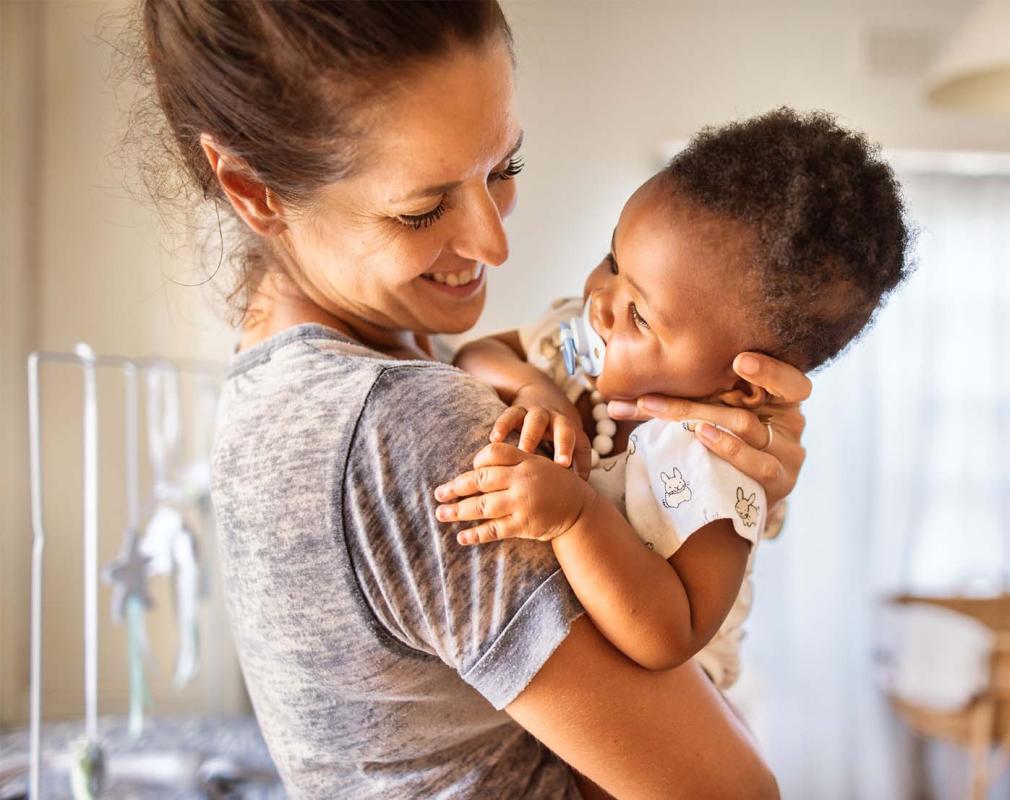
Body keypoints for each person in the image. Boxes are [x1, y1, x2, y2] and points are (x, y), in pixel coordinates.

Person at [137, 1, 811, 797]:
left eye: (505, 169)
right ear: (252, 188)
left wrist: (725, 481)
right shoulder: (403, 426)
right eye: (422, 208)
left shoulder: (298, 380)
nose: (495, 243)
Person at [440, 108, 909, 690]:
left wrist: (576, 516)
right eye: (613, 260)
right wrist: (533, 387)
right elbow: (479, 353)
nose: (601, 300)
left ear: (741, 385)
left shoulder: (711, 460)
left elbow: (670, 635)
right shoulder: (586, 347)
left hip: (677, 707)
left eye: (639, 314)